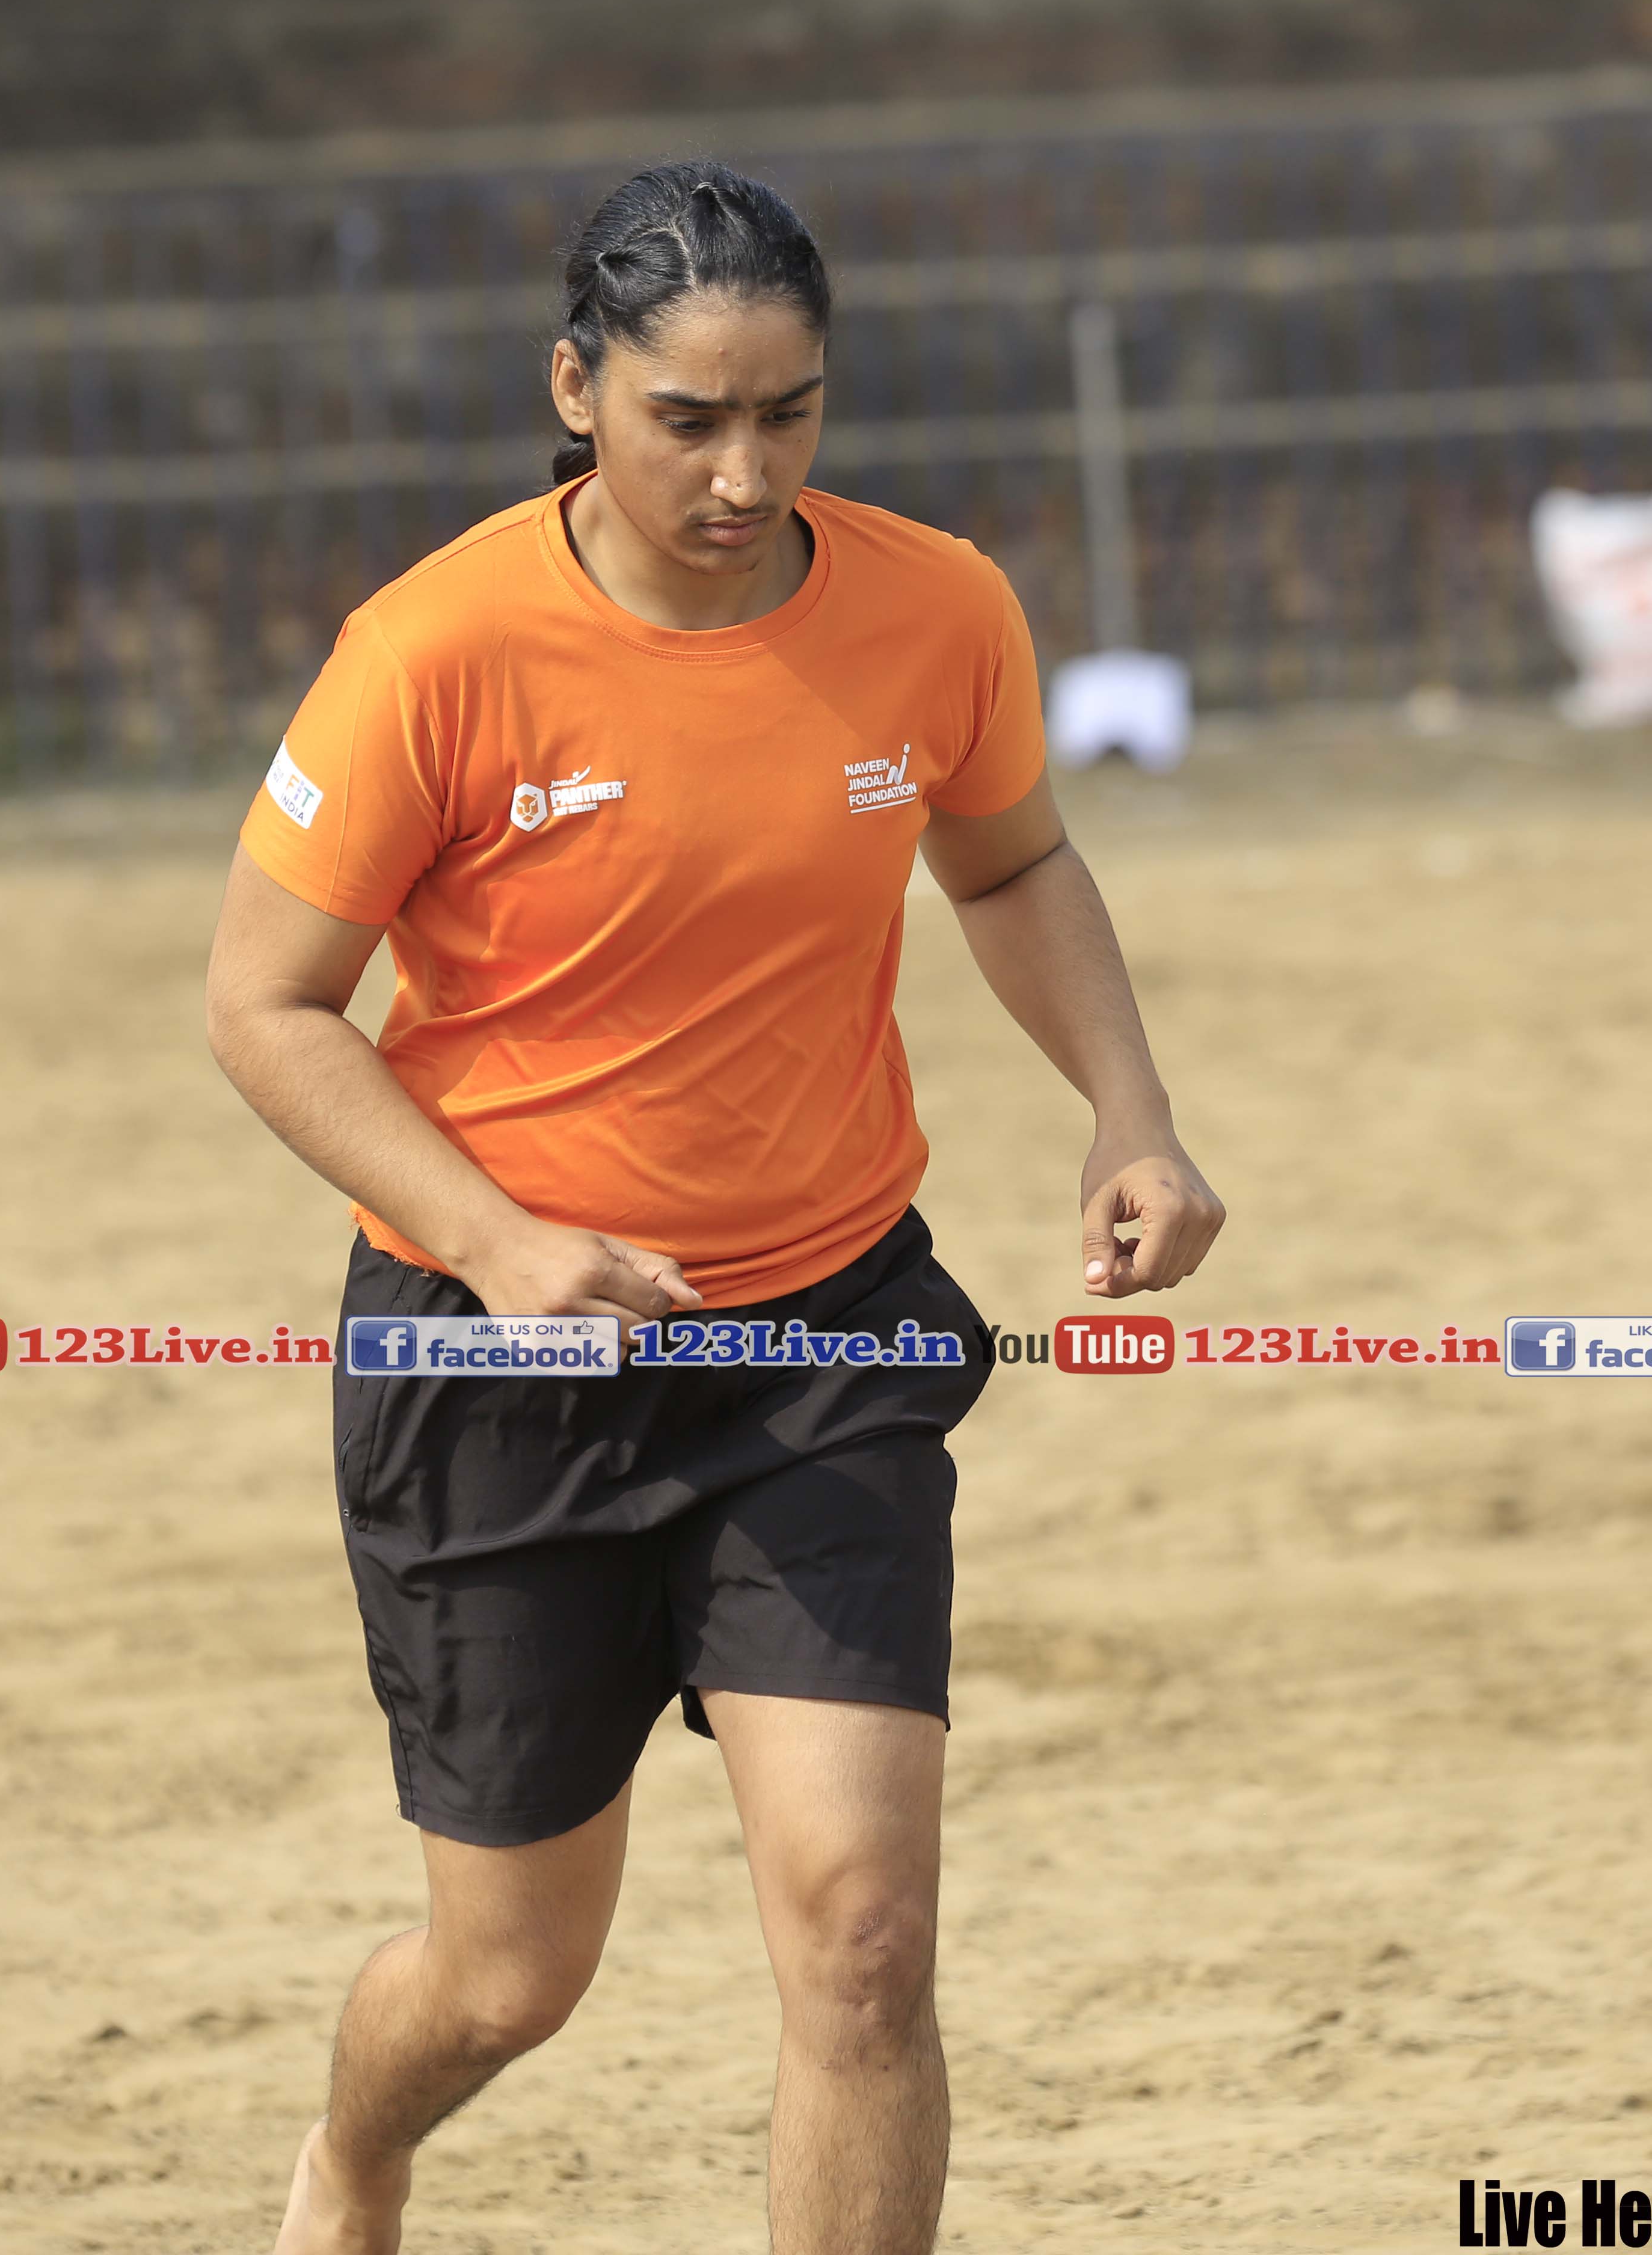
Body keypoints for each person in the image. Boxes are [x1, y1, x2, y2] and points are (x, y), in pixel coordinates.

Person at [203, 161, 1224, 2254]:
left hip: (826, 1343)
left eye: (791, 414)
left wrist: (1130, 1110)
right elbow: (265, 1005)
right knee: (507, 1980)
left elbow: (1013, 863)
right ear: (574, 389)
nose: (747, 476)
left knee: (866, 1943)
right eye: (690, 420)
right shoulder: (433, 649)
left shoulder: (939, 609)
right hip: (498, 1366)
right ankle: (358, 2157)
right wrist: (500, 1248)